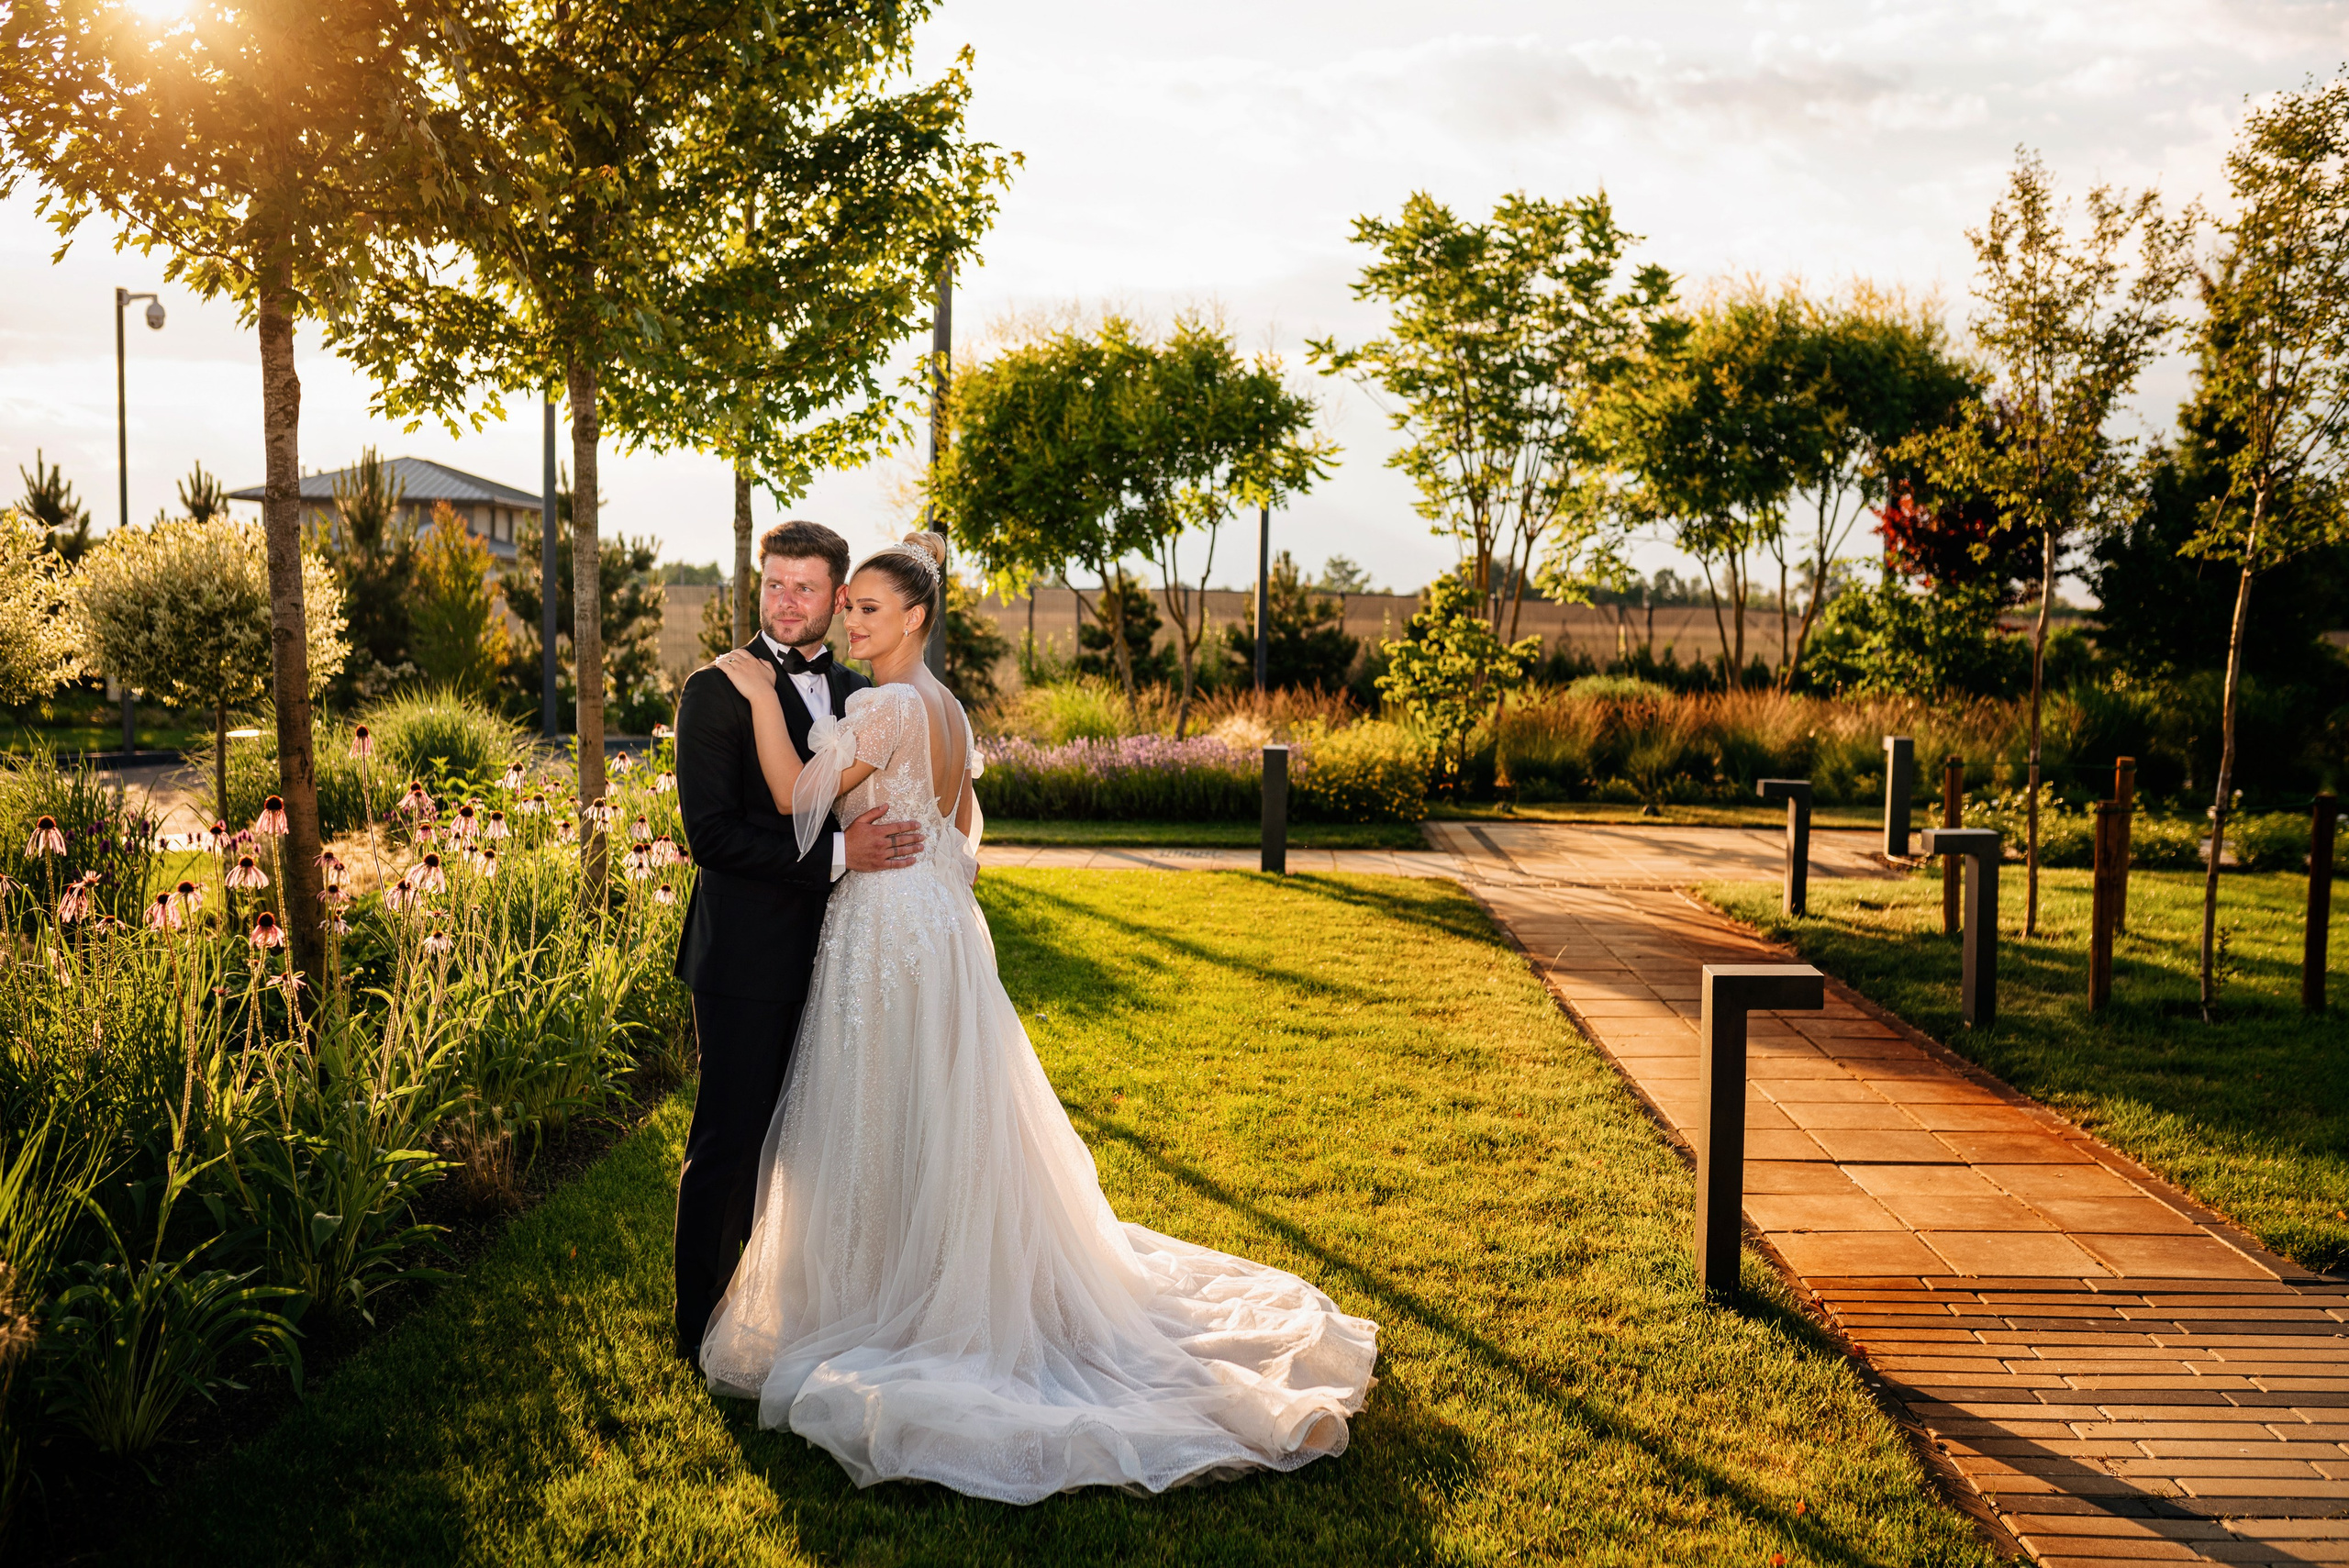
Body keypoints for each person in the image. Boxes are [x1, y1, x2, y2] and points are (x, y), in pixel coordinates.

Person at [696, 532, 1378, 1503]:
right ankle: (921, 1263)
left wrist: (763, 698)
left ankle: (891, 1288)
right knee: (939, 1106)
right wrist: (934, 877)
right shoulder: (946, 705)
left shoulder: (888, 705)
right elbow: (966, 826)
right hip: (935, 918)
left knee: (886, 1103)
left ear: (916, 618)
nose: (851, 620)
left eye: (869, 609)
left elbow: (790, 797)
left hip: (889, 923)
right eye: (849, 608)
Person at [669, 519, 926, 1367]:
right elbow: (714, 837)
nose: (786, 601)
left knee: (816, 1144)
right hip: (744, 959)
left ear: (839, 596)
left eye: (806, 587)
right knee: (730, 1139)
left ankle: (787, 1308)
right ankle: (698, 1324)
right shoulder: (716, 688)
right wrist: (845, 856)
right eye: (774, 583)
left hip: (844, 956)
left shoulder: (861, 688)